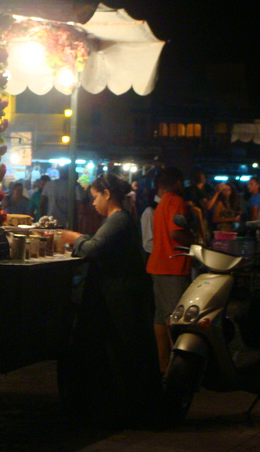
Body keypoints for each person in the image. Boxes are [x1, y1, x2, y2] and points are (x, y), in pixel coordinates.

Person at [59, 174, 166, 429]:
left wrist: (72, 237)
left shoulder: (119, 219)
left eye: (95, 196)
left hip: (122, 298)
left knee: (126, 352)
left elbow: (93, 248)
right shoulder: (118, 219)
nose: (93, 203)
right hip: (122, 296)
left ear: (107, 194)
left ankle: (133, 410)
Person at [146, 167, 194, 373]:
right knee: (175, 318)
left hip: (158, 266)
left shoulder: (161, 204)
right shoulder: (176, 201)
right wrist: (194, 242)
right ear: (177, 182)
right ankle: (177, 368)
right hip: (172, 266)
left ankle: (162, 363)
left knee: (160, 316)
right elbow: (176, 233)